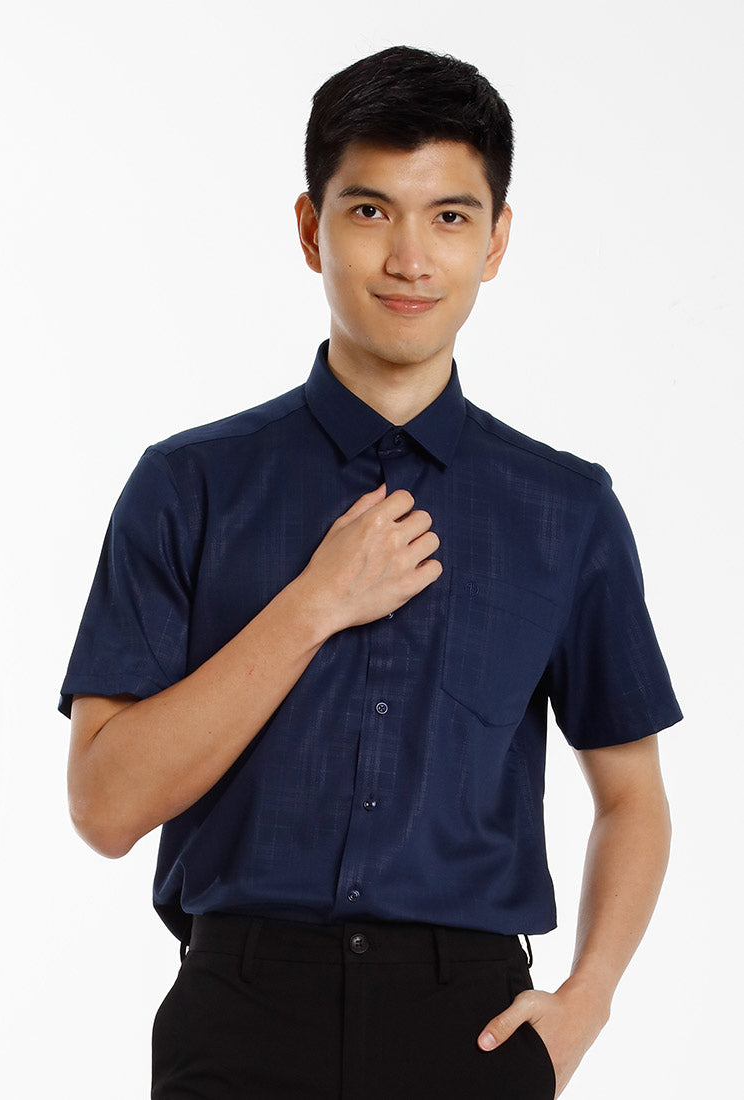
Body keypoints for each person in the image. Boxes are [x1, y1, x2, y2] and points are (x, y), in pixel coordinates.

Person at [60, 45, 681, 1099]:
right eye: (369, 210)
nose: (410, 258)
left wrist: (589, 997)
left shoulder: (565, 510)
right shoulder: (188, 485)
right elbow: (104, 806)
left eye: (450, 216)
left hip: (470, 1027)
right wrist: (314, 604)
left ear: (496, 240)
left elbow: (633, 798)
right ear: (312, 229)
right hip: (238, 1020)